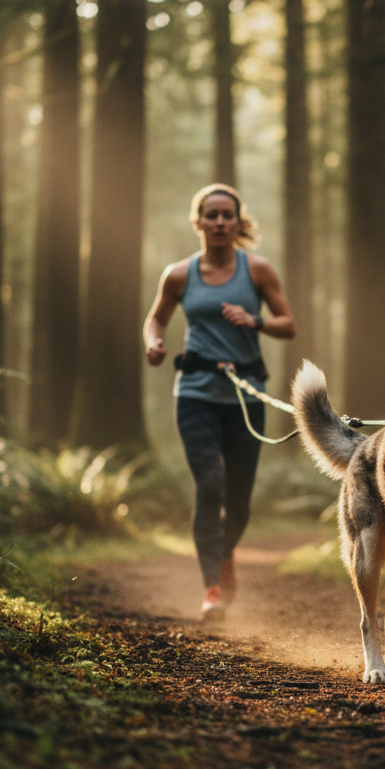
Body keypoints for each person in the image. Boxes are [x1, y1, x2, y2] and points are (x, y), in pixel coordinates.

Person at [144, 184, 295, 617]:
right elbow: (156, 318)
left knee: (240, 498)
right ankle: (212, 585)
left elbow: (288, 324)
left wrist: (255, 322)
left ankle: (225, 555)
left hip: (246, 396)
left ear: (238, 221)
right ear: (199, 222)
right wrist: (154, 343)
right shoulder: (178, 274)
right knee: (209, 485)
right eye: (211, 215)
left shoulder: (258, 271)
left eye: (228, 215)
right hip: (195, 393)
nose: (220, 222)